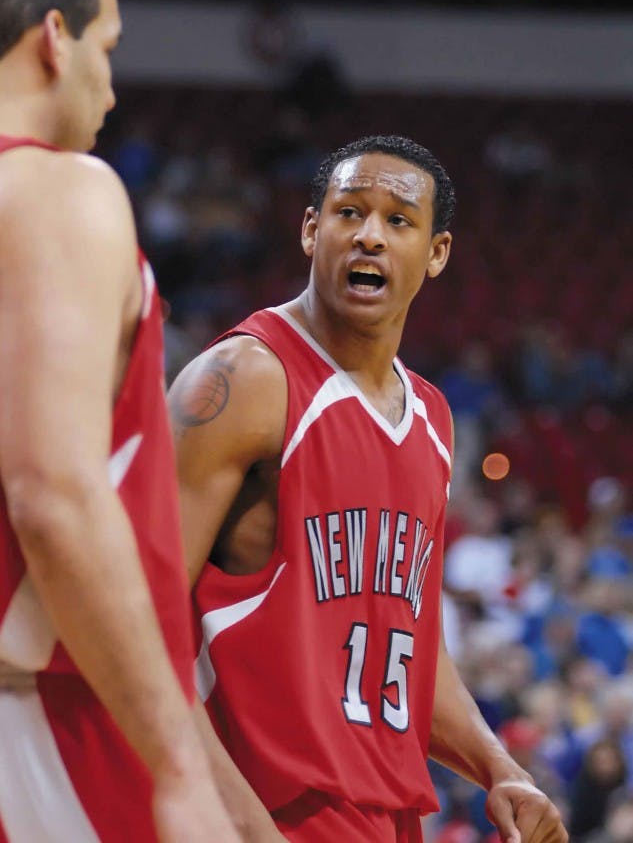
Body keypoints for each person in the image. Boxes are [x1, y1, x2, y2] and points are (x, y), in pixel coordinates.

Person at [0, 0, 238, 842]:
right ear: (52, 40)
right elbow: (56, 498)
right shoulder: (55, 189)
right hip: (12, 725)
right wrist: (179, 766)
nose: (110, 81)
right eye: (107, 47)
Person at [168, 134, 569, 842]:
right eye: (348, 212)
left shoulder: (433, 419)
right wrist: (231, 820)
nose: (368, 237)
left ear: (436, 252)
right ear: (309, 229)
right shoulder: (244, 380)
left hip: (384, 817)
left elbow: (412, 645)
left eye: (397, 220)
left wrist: (497, 766)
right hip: (259, 811)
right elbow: (139, 621)